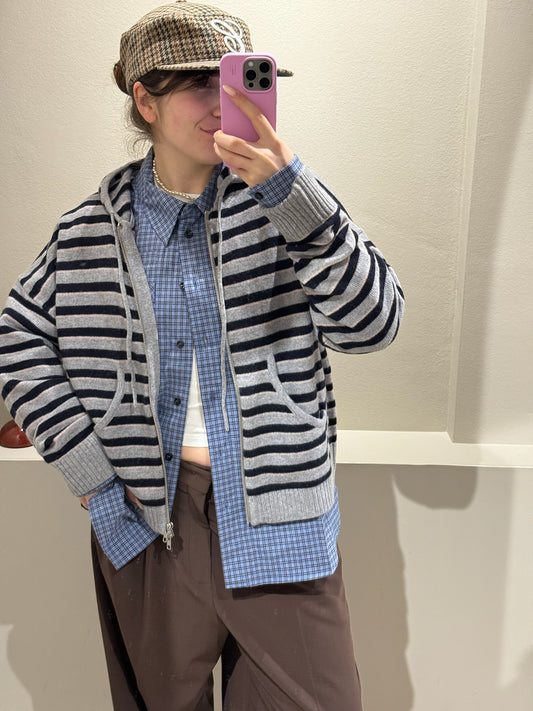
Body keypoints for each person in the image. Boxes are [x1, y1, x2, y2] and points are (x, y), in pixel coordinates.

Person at [0, 2, 404, 709]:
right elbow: (18, 338)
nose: (224, 103)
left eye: (239, 81)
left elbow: (374, 324)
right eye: (199, 85)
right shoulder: (91, 230)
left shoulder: (288, 208)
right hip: (148, 522)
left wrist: (293, 194)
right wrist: (91, 473)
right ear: (145, 101)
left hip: (280, 519)